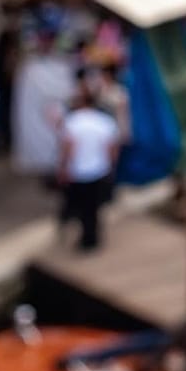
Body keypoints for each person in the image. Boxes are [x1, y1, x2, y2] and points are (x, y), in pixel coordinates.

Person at [57, 90, 119, 251]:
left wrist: (63, 168)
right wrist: (111, 167)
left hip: (79, 172)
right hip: (99, 170)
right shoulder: (105, 122)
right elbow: (111, 149)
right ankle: (92, 236)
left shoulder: (72, 122)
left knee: (83, 208)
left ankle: (87, 239)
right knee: (94, 207)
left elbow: (68, 148)